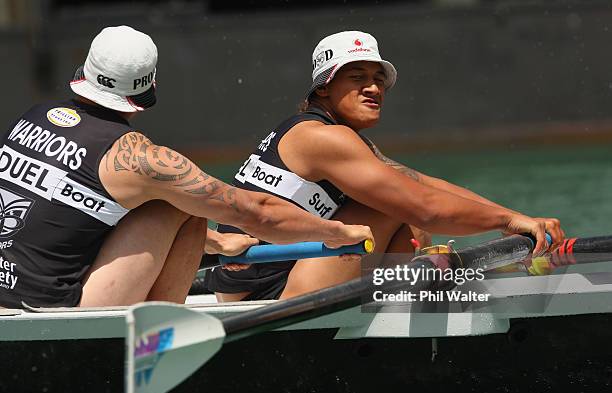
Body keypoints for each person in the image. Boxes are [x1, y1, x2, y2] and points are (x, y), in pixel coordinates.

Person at [0, 26, 373, 309]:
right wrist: (335, 231)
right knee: (181, 205)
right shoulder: (142, 160)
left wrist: (216, 243)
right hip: (50, 316)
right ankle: (158, 342)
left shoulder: (31, 118)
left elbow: (61, 211)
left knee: (154, 201)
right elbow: (256, 211)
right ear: (149, 87)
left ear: (85, 70)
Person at [205, 30, 565, 301]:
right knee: (400, 210)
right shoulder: (323, 138)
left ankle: (407, 292)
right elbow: (425, 207)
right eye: (357, 78)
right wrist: (507, 222)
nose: (373, 88)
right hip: (268, 297)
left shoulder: (329, 136)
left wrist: (517, 217)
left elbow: (422, 182)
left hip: (246, 284)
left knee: (399, 202)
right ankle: (409, 304)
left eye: (378, 79)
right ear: (324, 88)